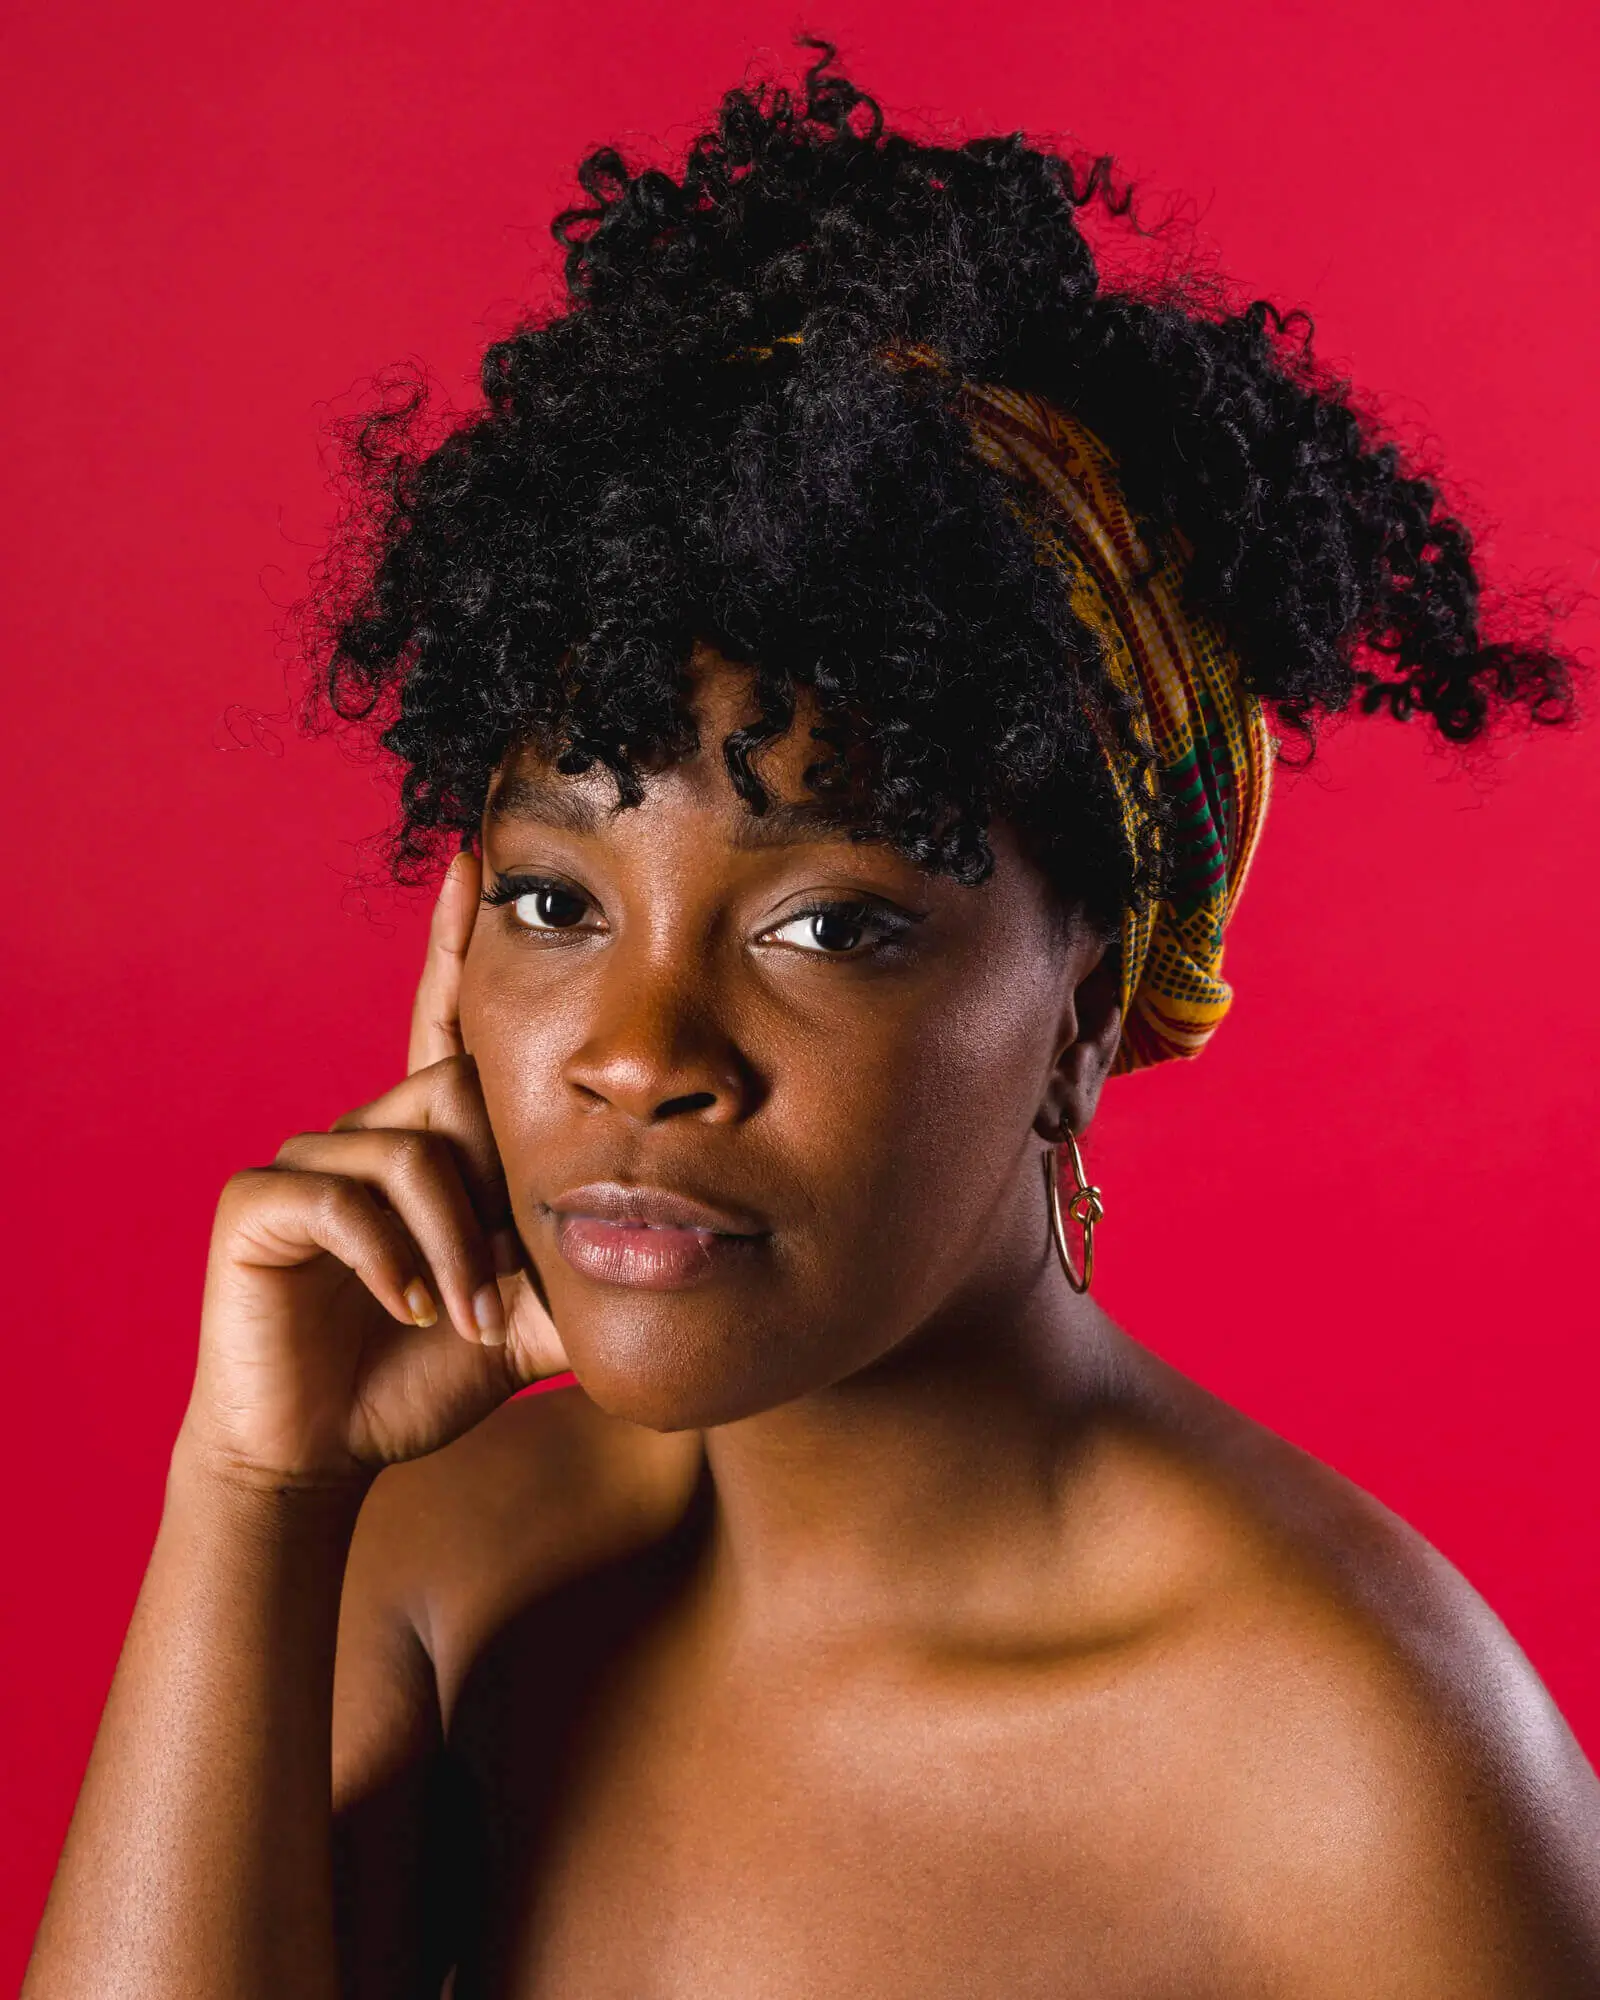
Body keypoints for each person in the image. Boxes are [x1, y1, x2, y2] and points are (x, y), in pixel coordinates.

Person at [24, 43, 1600, 2000]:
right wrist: (247, 1494)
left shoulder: (1356, 1777)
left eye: (829, 920)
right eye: (552, 901)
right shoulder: (431, 1580)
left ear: (1086, 1006)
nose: (634, 1045)